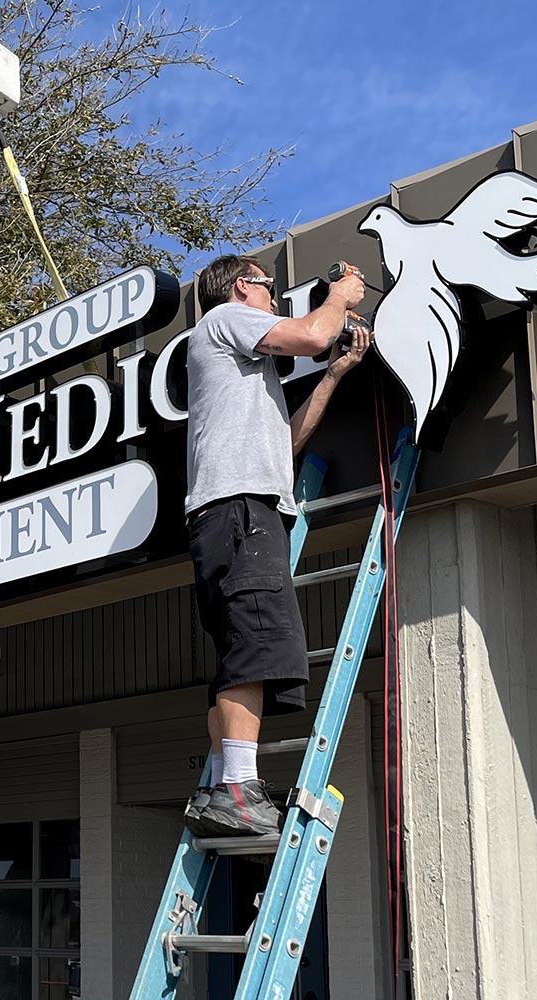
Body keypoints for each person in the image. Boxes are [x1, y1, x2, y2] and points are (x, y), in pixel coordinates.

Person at [181, 254, 372, 838]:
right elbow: (312, 335)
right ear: (243, 287)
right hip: (240, 510)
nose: (275, 298)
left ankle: (220, 787)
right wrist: (341, 295)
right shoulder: (227, 318)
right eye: (270, 288)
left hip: (233, 508)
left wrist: (335, 376)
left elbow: (284, 447)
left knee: (243, 652)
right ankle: (239, 789)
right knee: (259, 643)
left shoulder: (245, 375)